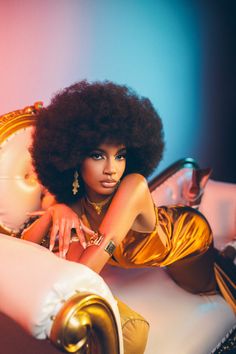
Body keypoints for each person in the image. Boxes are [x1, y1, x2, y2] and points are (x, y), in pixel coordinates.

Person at [21, 81, 235, 350]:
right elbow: (27, 243)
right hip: (152, 234)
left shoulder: (132, 184)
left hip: (186, 240)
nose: (112, 169)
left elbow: (98, 254)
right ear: (74, 158)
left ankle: (224, 253)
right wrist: (56, 209)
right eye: (98, 155)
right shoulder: (76, 199)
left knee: (203, 286)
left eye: (120, 156)